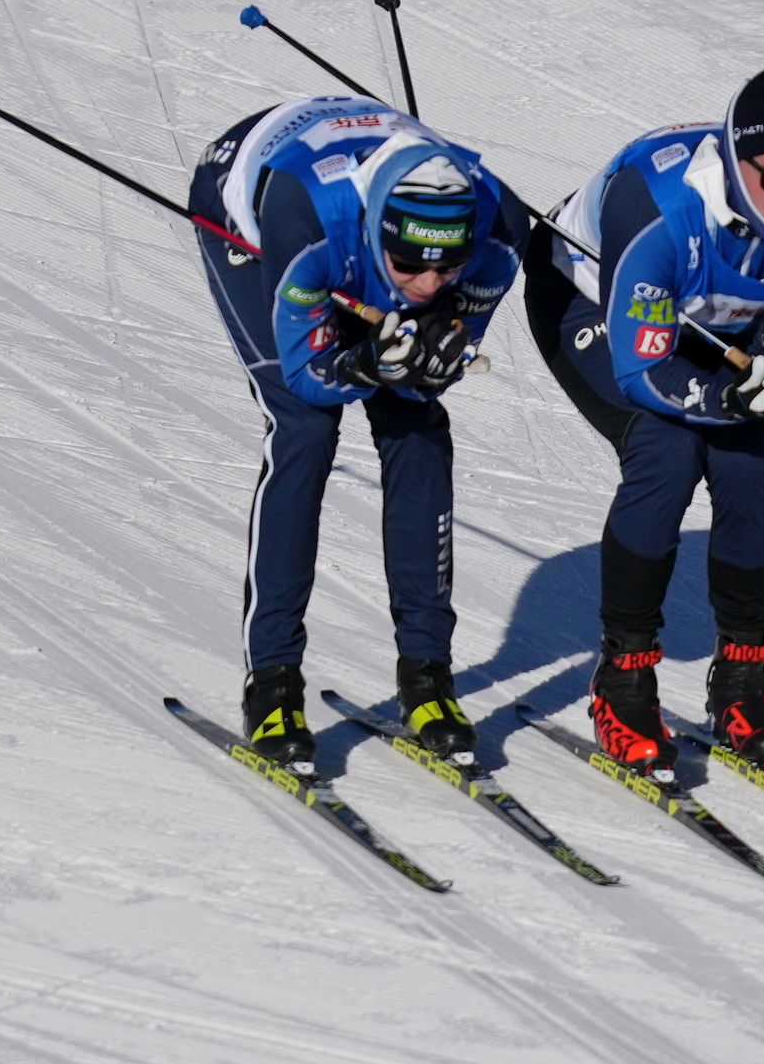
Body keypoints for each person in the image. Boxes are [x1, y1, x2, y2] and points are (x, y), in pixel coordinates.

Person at [522, 58, 764, 776]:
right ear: (734, 158)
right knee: (667, 453)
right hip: (590, 299)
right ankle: (622, 682)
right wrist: (725, 400)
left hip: (716, 317)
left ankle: (742, 682)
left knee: (747, 472)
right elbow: (644, 369)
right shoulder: (655, 213)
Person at [188, 96, 525, 773]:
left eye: (447, 268)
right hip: (253, 203)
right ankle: (273, 683)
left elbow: (439, 355)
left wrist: (432, 345)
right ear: (380, 235)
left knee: (416, 422)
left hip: (360, 196)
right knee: (305, 429)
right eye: (411, 267)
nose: (430, 285)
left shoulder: (498, 228)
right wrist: (365, 359)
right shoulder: (307, 217)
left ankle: (428, 677)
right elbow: (310, 373)